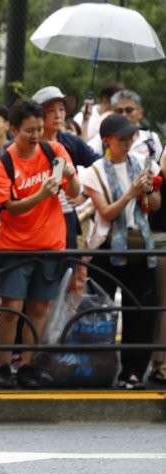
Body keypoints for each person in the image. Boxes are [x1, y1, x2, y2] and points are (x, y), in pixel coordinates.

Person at [0, 99, 81, 389]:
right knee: (11, 307)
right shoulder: (1, 164)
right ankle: (4, 365)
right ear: (14, 129)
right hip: (15, 246)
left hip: (51, 244)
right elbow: (10, 207)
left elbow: (75, 192)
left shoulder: (55, 150)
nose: (37, 134)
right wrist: (41, 195)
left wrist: (68, 176)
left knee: (39, 308)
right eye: (29, 130)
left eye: (40, 128)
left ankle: (27, 365)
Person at [81, 113, 161, 389]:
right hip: (107, 249)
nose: (128, 143)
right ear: (107, 141)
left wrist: (148, 192)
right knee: (101, 312)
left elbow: (155, 204)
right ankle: (97, 369)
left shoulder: (141, 164)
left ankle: (134, 371)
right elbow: (106, 212)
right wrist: (130, 192)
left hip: (140, 246)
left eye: (131, 138)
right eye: (122, 139)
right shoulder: (94, 172)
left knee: (141, 310)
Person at [32, 86, 100, 250]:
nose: (58, 115)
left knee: (66, 266)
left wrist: (85, 193)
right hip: (32, 213)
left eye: (62, 110)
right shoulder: (25, 144)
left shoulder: (72, 142)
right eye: (51, 110)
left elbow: (101, 165)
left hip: (65, 214)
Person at [88, 90, 162, 164]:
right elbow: (85, 152)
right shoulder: (105, 139)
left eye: (129, 110)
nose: (124, 115)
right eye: (119, 111)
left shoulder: (151, 139)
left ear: (140, 113)